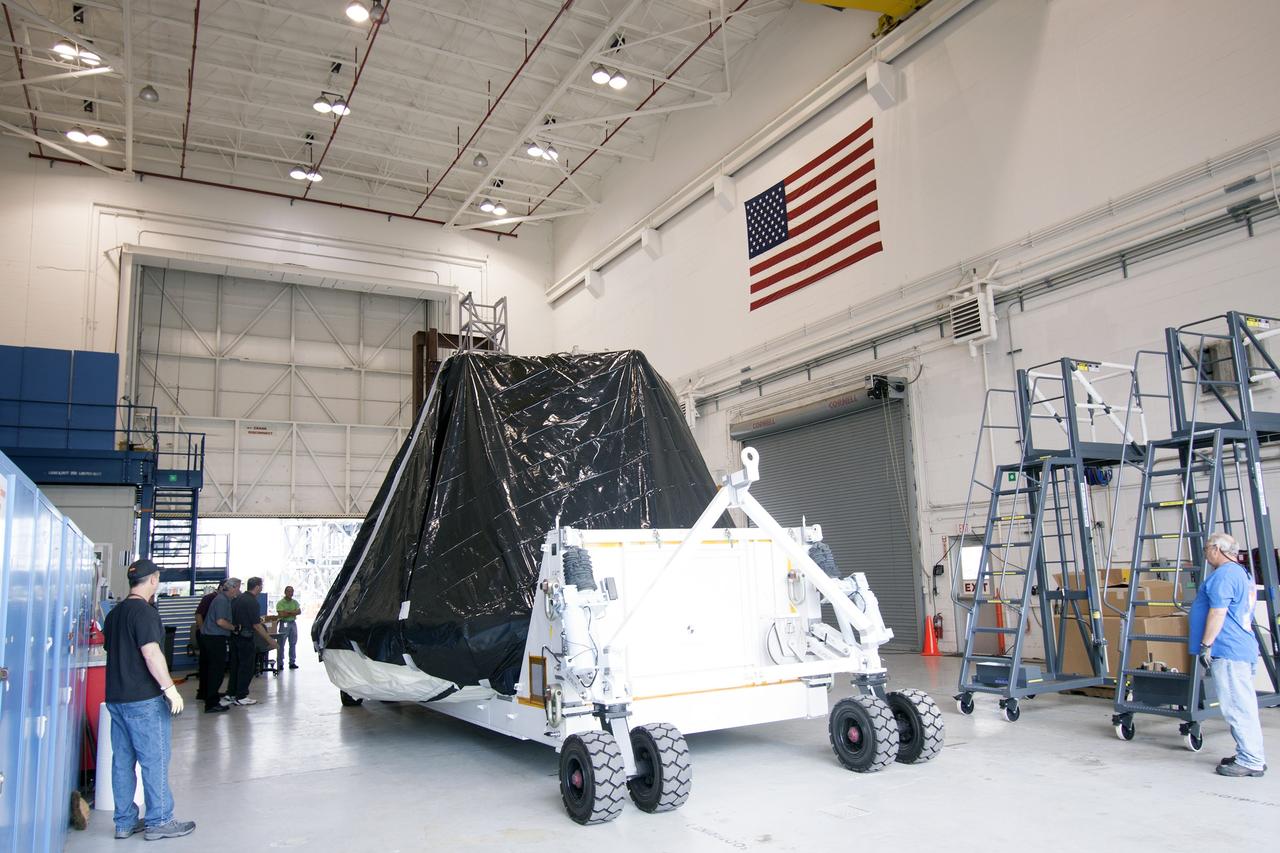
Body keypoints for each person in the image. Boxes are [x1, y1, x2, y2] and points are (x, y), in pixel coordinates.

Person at [102, 558, 197, 841]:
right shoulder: (144, 613)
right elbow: (151, 653)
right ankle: (159, 820)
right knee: (154, 759)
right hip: (143, 700)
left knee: (122, 761)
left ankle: (124, 822)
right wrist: (170, 688)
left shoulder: (115, 614)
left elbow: (114, 650)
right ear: (153, 580)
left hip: (116, 699)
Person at [1189, 531, 1266, 777]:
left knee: (1236, 706)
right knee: (1243, 704)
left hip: (1229, 650)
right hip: (1241, 648)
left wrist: (1206, 644)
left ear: (1216, 549)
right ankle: (1250, 752)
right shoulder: (1240, 572)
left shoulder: (1223, 576)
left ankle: (1251, 759)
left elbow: (1218, 613)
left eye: (1207, 550)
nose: (1206, 555)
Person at [228, 576, 277, 705]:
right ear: (257, 587)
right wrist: (269, 640)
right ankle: (242, 696)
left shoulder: (238, 599)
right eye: (262, 585)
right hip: (246, 638)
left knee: (236, 666)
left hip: (235, 637)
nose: (262, 588)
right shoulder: (252, 602)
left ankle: (232, 693)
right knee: (246, 667)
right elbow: (256, 625)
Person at [199, 579, 240, 713]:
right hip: (214, 639)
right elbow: (221, 621)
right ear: (232, 588)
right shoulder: (222, 600)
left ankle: (209, 696)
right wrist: (234, 628)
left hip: (209, 637)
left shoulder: (222, 599)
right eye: (238, 588)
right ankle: (211, 703)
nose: (238, 591)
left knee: (210, 670)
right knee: (216, 671)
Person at [192, 585, 221, 702]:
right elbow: (198, 614)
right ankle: (205, 692)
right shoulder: (209, 598)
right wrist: (203, 630)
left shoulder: (220, 599)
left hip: (210, 634)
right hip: (206, 635)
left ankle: (205, 691)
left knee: (207, 664)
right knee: (208, 664)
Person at [276, 586, 302, 670]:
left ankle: (292, 662)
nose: (291, 593)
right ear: (285, 592)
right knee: (281, 644)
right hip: (284, 624)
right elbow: (282, 614)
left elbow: (299, 611)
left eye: (292, 591)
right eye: (289, 591)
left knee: (293, 643)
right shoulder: (280, 603)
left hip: (293, 624)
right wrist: (293, 612)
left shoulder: (295, 602)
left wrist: (288, 612)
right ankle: (280, 663)